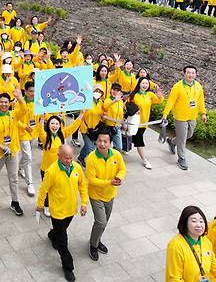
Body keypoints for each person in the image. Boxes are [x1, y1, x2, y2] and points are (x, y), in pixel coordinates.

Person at [36, 144, 88, 282]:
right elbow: (43, 189)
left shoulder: (76, 167)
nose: (69, 160)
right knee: (63, 242)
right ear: (58, 156)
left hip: (71, 210)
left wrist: (84, 203)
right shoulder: (51, 171)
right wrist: (40, 205)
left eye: (71, 158)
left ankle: (52, 235)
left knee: (60, 232)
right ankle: (68, 266)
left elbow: (83, 184)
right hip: (57, 212)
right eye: (66, 158)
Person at [85, 128, 126, 261]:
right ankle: (93, 245)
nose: (102, 144)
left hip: (110, 195)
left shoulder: (116, 155)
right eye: (100, 141)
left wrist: (119, 177)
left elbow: (122, 169)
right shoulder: (91, 158)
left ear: (110, 143)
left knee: (104, 221)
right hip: (96, 195)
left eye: (105, 141)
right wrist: (109, 182)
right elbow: (91, 180)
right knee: (101, 222)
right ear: (96, 142)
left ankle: (97, 240)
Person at [165, 205, 216, 282]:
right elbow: (174, 279)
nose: (199, 225)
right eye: (193, 221)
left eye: (201, 221)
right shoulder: (175, 245)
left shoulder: (205, 241)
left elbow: (214, 265)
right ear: (185, 223)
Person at [0, 92, 24, 216]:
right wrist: (1, 146)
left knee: (14, 178)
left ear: (9, 103)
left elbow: (25, 109)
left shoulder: (14, 115)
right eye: (1, 102)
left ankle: (15, 202)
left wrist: (19, 98)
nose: (4, 104)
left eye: (6, 102)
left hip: (12, 151)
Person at [162, 65, 207, 171]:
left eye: (193, 73)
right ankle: (181, 158)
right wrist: (165, 114)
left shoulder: (198, 86)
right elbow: (171, 101)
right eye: (188, 73)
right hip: (180, 117)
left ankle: (172, 142)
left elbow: (201, 100)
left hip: (192, 116)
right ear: (184, 73)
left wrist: (203, 113)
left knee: (189, 134)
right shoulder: (177, 87)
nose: (191, 75)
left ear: (195, 74)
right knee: (182, 138)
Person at [128, 77, 164, 169]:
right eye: (143, 83)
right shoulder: (134, 95)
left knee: (135, 137)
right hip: (135, 122)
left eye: (146, 83)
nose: (145, 85)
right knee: (139, 140)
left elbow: (158, 100)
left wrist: (160, 96)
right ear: (139, 84)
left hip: (144, 123)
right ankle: (144, 159)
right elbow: (127, 106)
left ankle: (127, 144)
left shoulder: (150, 94)